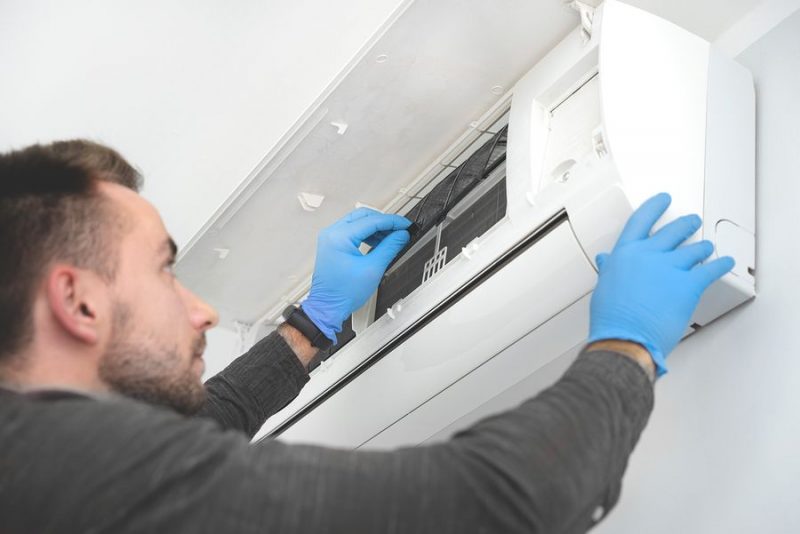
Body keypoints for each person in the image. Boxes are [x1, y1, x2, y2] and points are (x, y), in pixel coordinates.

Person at [0, 140, 733, 533]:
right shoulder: (77, 478)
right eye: (165, 271)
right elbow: (493, 504)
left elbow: (192, 422)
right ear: (78, 302)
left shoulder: (33, 454)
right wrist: (627, 346)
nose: (203, 312)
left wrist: (311, 323)